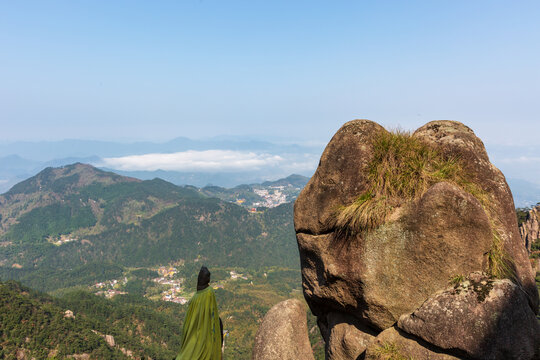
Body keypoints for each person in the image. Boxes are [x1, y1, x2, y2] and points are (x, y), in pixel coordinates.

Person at [176, 266, 222, 360]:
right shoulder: (209, 292)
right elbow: (212, 312)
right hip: (207, 339)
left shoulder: (194, 299)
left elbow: (188, 323)